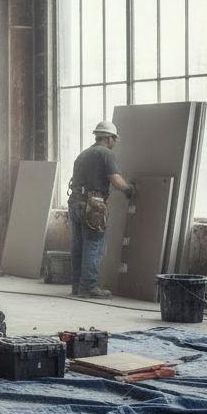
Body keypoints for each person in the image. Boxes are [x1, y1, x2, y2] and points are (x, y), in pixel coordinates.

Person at [67, 120, 136, 298]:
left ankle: (77, 285)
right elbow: (116, 181)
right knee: (94, 245)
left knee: (78, 245)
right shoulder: (106, 154)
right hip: (93, 205)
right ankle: (89, 287)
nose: (115, 143)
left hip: (75, 202)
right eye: (115, 140)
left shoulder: (83, 154)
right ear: (110, 138)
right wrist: (129, 189)